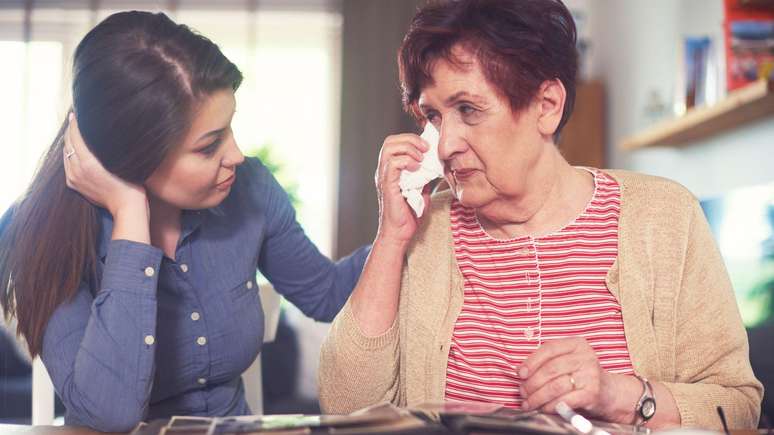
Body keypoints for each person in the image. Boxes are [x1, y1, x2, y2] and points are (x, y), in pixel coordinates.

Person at [318, 0, 762, 430]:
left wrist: (615, 394)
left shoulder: (664, 217)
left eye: (468, 110)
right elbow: (344, 409)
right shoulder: (422, 230)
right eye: (433, 115)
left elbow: (737, 407)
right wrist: (391, 239)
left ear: (546, 105)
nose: (445, 143)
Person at [0, 11, 368, 432]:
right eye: (209, 147)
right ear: (133, 159)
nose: (237, 156)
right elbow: (109, 416)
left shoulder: (249, 189)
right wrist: (130, 214)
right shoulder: (37, 233)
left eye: (230, 129)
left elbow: (327, 294)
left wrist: (403, 228)